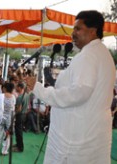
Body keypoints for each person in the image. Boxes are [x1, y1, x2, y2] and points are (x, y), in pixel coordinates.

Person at [33, 10, 115, 163]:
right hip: (92, 137)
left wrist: (39, 89)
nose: (73, 33)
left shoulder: (88, 56)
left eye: (78, 29)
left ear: (93, 30)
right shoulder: (103, 54)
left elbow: (78, 93)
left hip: (76, 142)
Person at [0, 83, 16, 155]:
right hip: (9, 119)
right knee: (7, 135)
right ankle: (4, 151)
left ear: (5, 88)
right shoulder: (13, 97)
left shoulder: (0, 96)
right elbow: (13, 108)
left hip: (0, 118)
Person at [12, 82, 30, 153]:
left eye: (17, 87)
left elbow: (19, 109)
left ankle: (20, 148)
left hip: (20, 115)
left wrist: (14, 113)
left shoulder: (19, 97)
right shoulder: (27, 95)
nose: (16, 88)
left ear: (20, 87)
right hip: (24, 114)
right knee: (19, 131)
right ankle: (18, 144)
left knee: (18, 131)